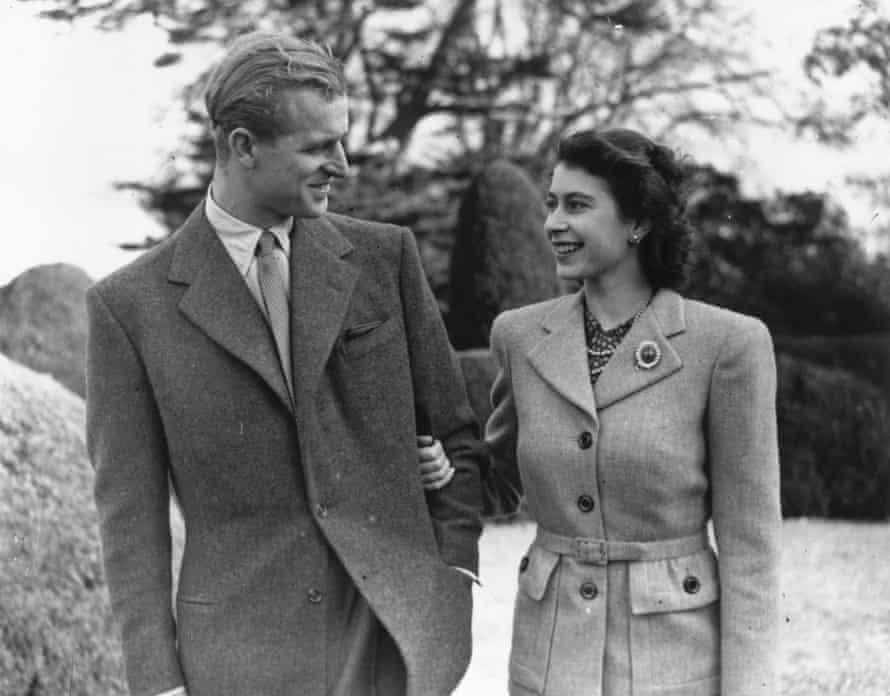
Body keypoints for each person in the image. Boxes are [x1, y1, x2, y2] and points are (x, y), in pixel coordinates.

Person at [86, 31, 484, 696]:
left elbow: (459, 438)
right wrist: (157, 682)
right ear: (242, 147)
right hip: (238, 661)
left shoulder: (386, 260)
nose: (344, 164)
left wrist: (455, 577)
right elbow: (130, 519)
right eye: (318, 147)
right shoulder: (130, 307)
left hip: (394, 647)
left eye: (343, 139)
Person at [422, 127, 781, 695]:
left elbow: (751, 549)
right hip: (550, 658)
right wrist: (445, 470)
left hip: (676, 665)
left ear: (638, 221)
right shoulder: (518, 336)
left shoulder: (727, 345)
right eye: (551, 204)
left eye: (577, 205)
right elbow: (501, 485)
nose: (552, 223)